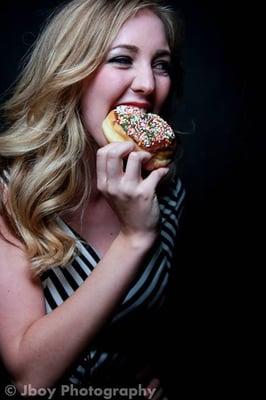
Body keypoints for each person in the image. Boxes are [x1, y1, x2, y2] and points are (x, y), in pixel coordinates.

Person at [0, 0, 185, 398]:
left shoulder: (166, 189)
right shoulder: (11, 193)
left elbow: (145, 327)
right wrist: (134, 238)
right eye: (122, 59)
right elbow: (29, 379)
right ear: (72, 72)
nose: (148, 85)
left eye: (161, 64)